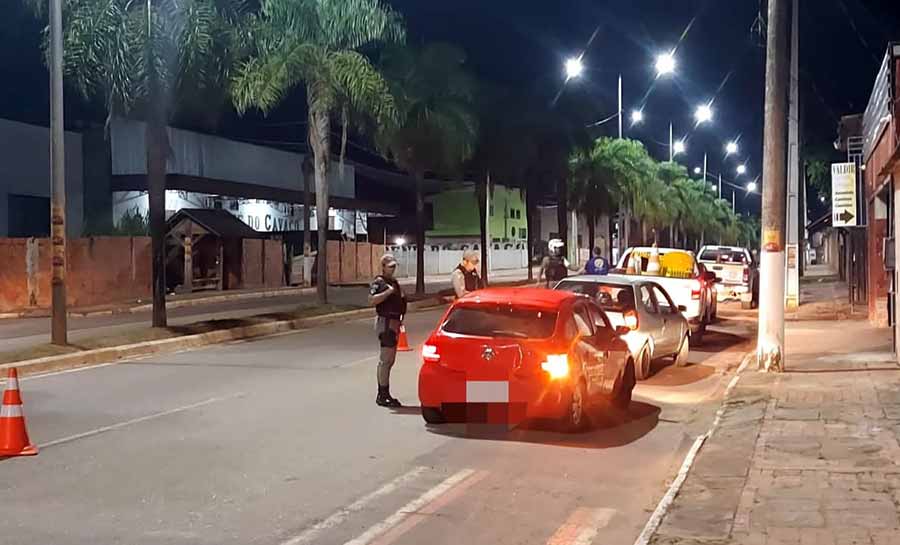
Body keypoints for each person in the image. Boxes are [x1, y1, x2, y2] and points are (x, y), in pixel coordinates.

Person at [368, 254, 407, 407]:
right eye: (389, 266)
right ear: (383, 267)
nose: (392, 269)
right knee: (386, 360)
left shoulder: (394, 282)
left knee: (390, 360)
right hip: (386, 322)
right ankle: (382, 394)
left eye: (394, 266)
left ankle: (385, 393)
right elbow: (371, 300)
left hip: (394, 322)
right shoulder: (380, 282)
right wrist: (387, 293)